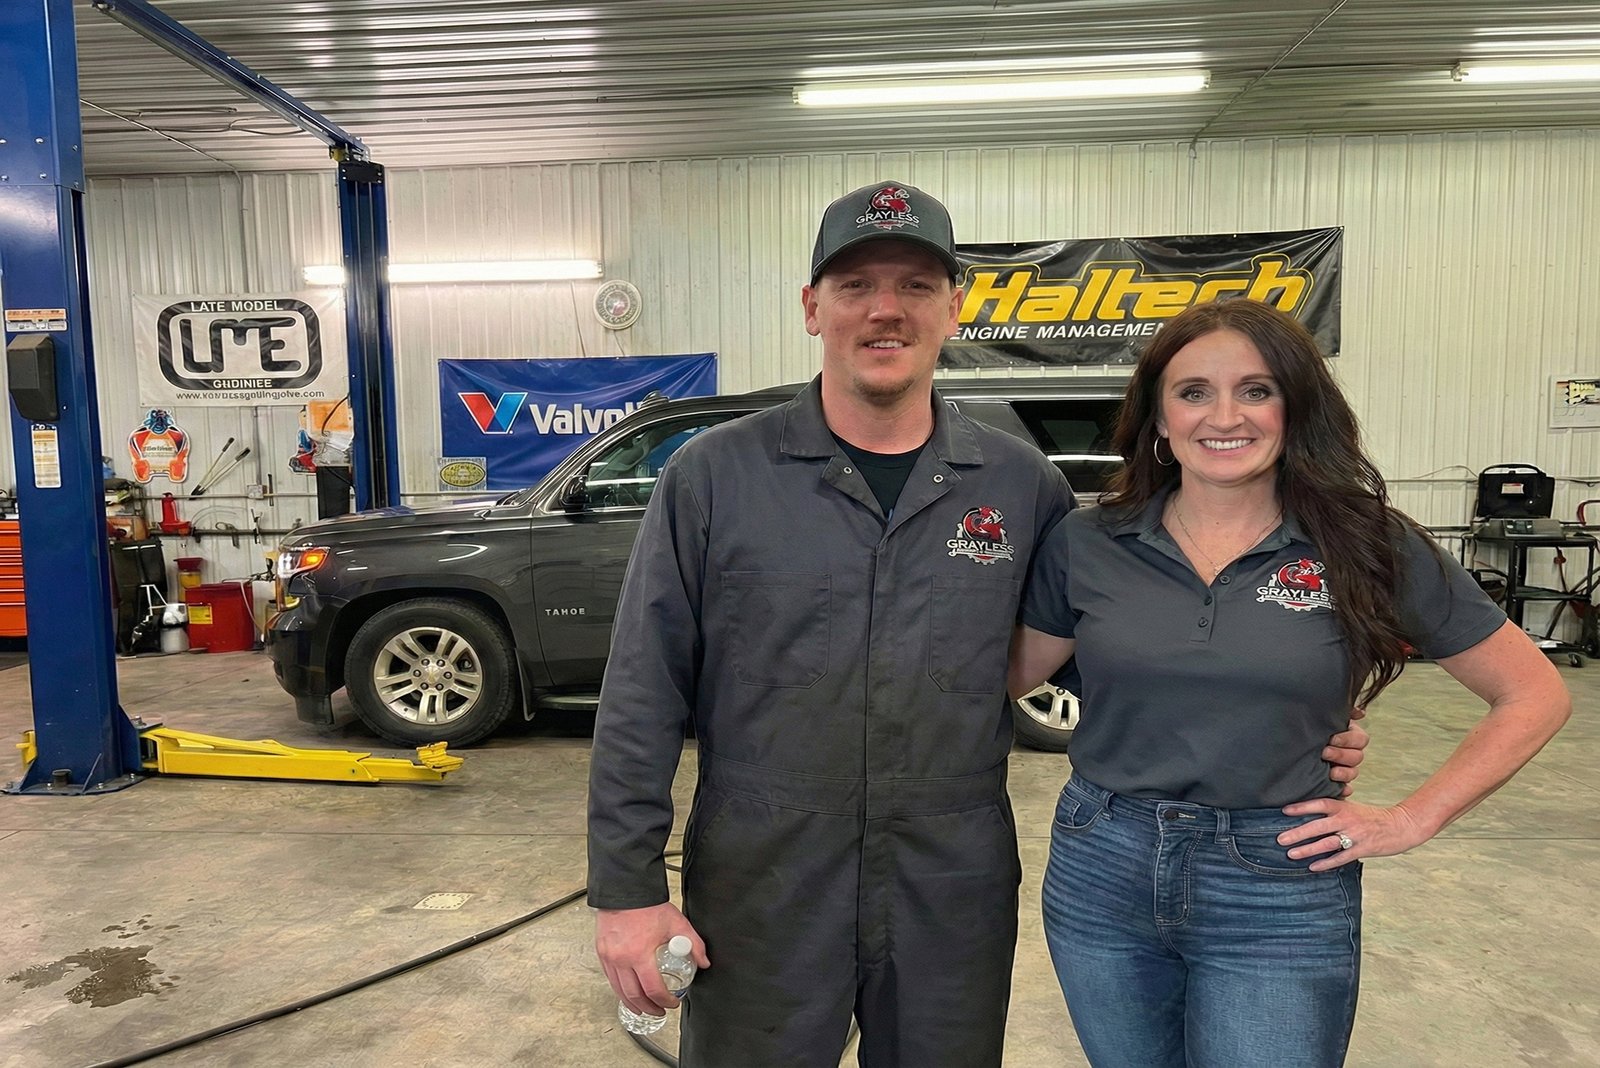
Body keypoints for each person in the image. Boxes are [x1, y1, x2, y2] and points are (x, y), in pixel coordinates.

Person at [587, 182, 1369, 1067]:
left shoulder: (1016, 484)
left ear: (954, 307)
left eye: (917, 286)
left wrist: (1284, 718)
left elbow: (1109, 650)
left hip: (949, 881)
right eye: (855, 286)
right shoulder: (714, 476)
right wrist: (627, 889)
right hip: (764, 875)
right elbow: (642, 689)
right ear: (813, 308)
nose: (886, 309)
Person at [1008, 297, 1572, 1068]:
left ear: (1293, 408)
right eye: (1194, 391)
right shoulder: (1087, 542)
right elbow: (999, 677)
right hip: (1102, 861)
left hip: (1277, 879)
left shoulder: (1367, 540)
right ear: (1159, 421)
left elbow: (1535, 692)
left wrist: (1410, 820)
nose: (1224, 415)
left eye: (1257, 389)